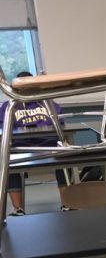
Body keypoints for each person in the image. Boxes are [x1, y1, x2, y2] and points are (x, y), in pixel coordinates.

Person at [0, 71, 71, 214]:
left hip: (49, 145)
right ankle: (18, 209)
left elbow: (61, 126)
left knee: (66, 157)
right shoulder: (9, 106)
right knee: (9, 161)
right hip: (20, 147)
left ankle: (67, 203)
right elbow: (4, 130)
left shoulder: (49, 104)